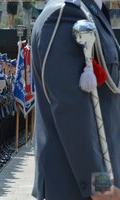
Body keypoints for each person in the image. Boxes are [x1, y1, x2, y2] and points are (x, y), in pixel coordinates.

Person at [31, 0, 120, 199]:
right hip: (76, 188)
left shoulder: (91, 11)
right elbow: (71, 110)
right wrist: (100, 186)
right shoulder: (65, 14)